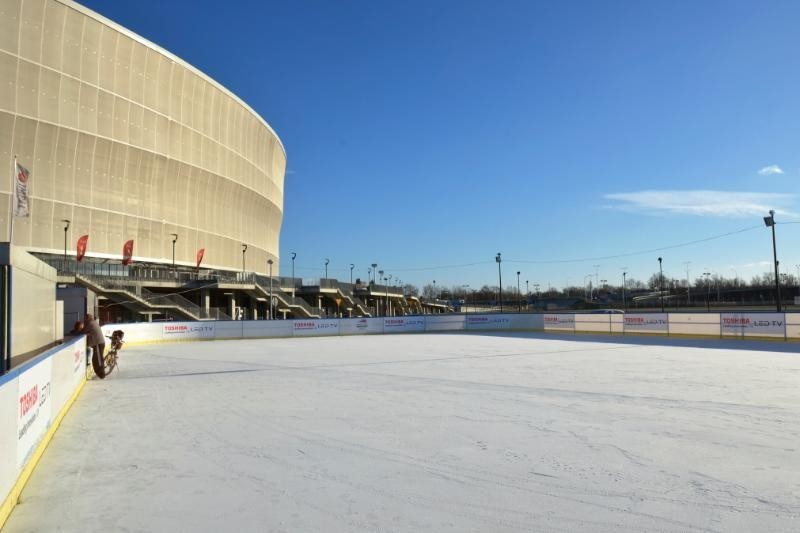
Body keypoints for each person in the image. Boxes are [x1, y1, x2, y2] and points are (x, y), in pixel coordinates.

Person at [84, 313, 107, 378]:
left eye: (86, 319)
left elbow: (83, 331)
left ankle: (101, 374)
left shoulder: (90, 324)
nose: (85, 320)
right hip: (98, 343)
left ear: (88, 318)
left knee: (98, 359)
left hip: (98, 344)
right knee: (96, 358)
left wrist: (74, 332)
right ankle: (99, 373)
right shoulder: (94, 323)